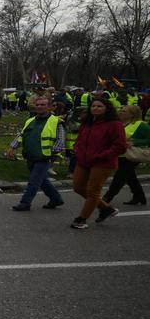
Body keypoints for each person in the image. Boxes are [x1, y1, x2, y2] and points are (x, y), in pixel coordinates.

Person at [69, 97, 128, 229]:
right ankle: (105, 208)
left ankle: (81, 219)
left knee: (93, 191)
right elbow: (79, 140)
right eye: (93, 106)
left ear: (107, 108)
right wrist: (77, 150)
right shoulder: (87, 122)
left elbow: (120, 146)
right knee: (78, 187)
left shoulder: (114, 124)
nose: (95, 108)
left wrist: (101, 156)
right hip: (83, 160)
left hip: (102, 163)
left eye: (99, 106)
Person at [6, 96, 65, 211]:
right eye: (37, 105)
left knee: (33, 181)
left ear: (49, 107)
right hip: (30, 155)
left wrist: (54, 153)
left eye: (43, 105)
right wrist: (13, 146)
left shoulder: (56, 121)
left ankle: (25, 203)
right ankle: (56, 199)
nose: (39, 107)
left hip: (45, 156)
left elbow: (60, 139)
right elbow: (21, 135)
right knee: (41, 180)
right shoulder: (30, 120)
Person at [102, 105, 149, 206]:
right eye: (120, 110)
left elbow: (148, 139)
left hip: (132, 155)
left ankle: (106, 198)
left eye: (124, 111)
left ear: (132, 114)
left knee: (120, 177)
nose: (120, 112)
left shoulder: (141, 125)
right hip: (120, 155)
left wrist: (135, 142)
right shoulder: (120, 124)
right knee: (130, 176)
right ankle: (139, 197)